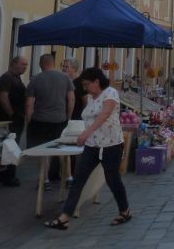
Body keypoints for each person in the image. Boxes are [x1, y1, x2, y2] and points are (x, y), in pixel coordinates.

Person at [44, 67, 131, 230]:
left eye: (86, 84)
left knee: (113, 180)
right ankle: (64, 217)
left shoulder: (110, 93)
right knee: (78, 179)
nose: (85, 88)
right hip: (92, 145)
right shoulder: (91, 97)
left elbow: (104, 115)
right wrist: (86, 135)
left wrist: (86, 133)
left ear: (96, 82)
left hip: (111, 145)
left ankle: (125, 210)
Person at [26, 54, 74, 190]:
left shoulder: (36, 79)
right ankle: (69, 178)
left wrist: (29, 120)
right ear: (54, 63)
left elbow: (29, 104)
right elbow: (71, 99)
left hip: (40, 120)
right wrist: (68, 116)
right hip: (60, 120)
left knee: (43, 151)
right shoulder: (65, 78)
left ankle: (44, 180)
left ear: (41, 64)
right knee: (63, 149)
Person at [0, 56, 28, 187]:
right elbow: (3, 97)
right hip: (10, 120)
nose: (25, 67)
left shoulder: (16, 78)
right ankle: (9, 177)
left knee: (7, 147)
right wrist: (11, 114)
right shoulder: (7, 78)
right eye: (23, 64)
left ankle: (1, 175)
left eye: (26, 65)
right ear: (14, 63)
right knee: (11, 148)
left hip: (16, 118)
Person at [61, 58, 87, 189]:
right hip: (69, 118)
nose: (64, 69)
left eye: (66, 67)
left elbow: (85, 101)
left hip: (77, 118)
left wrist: (84, 117)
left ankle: (76, 174)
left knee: (75, 147)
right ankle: (68, 173)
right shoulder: (67, 81)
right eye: (63, 66)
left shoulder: (79, 83)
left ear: (74, 69)